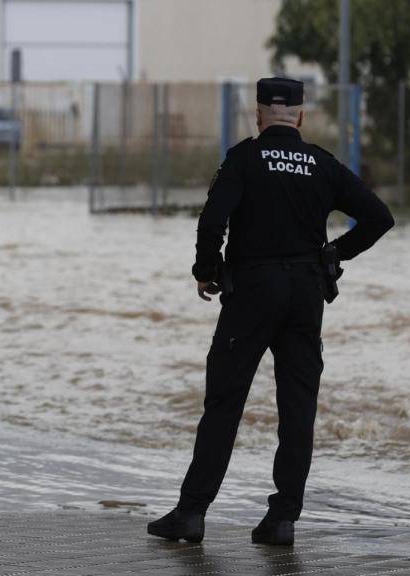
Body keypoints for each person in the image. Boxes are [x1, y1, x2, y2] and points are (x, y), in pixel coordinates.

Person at [147, 77, 394, 545]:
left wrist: (207, 269)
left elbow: (212, 219)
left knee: (224, 402)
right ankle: (282, 521)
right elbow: (379, 217)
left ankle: (192, 514)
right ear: (300, 116)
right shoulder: (322, 164)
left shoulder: (244, 157)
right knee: (298, 409)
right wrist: (334, 254)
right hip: (305, 293)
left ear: (257, 115)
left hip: (252, 292)